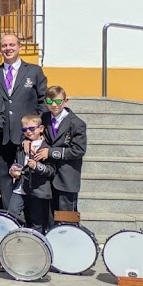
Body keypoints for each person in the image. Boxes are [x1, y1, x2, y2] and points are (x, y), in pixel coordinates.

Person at [0, 34, 47, 208]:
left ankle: (30, 223)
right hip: (3, 137)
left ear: (20, 47)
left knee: (29, 179)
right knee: (5, 179)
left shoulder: (34, 71)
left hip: (27, 137)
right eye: (4, 45)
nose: (8, 48)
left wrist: (36, 135)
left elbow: (42, 102)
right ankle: (9, 218)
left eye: (12, 45)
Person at [39, 85, 87, 214]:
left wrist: (51, 152)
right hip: (47, 178)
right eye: (50, 102)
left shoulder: (77, 123)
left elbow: (78, 150)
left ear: (65, 101)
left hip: (67, 178)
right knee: (48, 218)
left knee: (66, 219)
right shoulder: (43, 118)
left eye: (58, 101)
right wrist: (26, 141)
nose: (54, 105)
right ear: (45, 102)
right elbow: (30, 130)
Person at [8, 113, 55, 233]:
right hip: (20, 188)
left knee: (37, 221)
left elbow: (51, 170)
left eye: (32, 128)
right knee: (11, 214)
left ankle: (36, 245)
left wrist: (37, 166)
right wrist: (13, 170)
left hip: (38, 190)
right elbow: (17, 162)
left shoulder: (46, 147)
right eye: (25, 129)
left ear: (41, 128)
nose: (28, 132)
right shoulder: (21, 145)